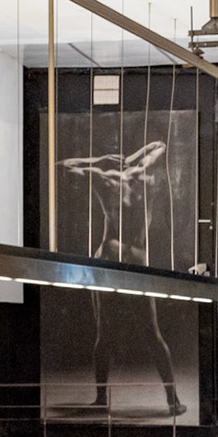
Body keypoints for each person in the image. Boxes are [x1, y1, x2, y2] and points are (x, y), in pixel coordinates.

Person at [59, 141, 184, 417]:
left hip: (109, 256)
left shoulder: (105, 178)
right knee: (152, 333)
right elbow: (160, 145)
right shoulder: (147, 179)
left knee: (105, 333)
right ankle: (173, 399)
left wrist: (102, 158)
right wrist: (134, 157)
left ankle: (102, 398)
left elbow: (64, 166)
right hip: (135, 260)